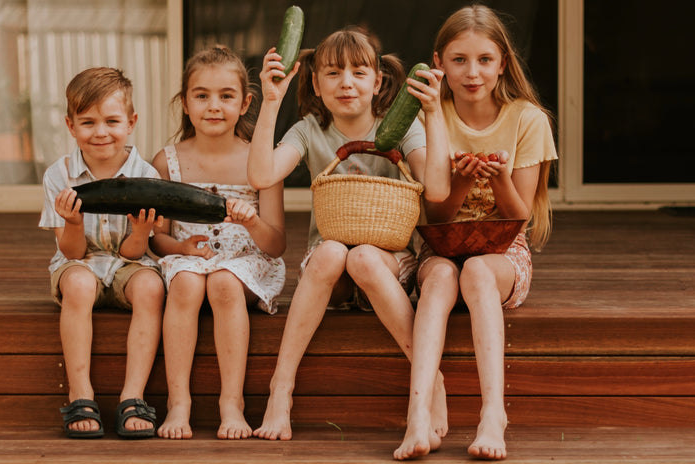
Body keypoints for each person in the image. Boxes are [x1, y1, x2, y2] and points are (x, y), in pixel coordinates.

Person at [247, 26, 451, 441]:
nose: (346, 82)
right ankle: (279, 391)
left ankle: (431, 379)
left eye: (359, 72)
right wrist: (270, 103)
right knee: (332, 253)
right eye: (333, 73)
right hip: (331, 272)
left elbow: (438, 190)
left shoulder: (402, 126)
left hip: (388, 264)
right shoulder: (309, 129)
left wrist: (432, 114)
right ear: (316, 85)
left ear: (378, 83)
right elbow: (260, 174)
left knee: (361, 257)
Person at [392, 5, 558, 461]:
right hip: (442, 248)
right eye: (459, 59)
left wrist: (498, 178)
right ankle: (418, 415)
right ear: (438, 63)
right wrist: (462, 180)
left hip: (505, 253)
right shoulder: (428, 114)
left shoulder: (527, 119)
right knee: (445, 277)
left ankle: (492, 414)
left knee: (478, 273)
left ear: (502, 62)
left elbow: (518, 220)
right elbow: (436, 217)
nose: (472, 72)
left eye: (484, 59)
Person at [149, 46, 287, 440]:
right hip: (186, 260)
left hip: (246, 260)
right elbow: (158, 239)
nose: (214, 106)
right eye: (202, 95)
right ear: (185, 103)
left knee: (224, 283)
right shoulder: (166, 163)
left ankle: (232, 402)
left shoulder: (262, 161)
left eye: (226, 96)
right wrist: (181, 250)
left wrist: (253, 220)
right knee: (188, 283)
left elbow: (275, 244)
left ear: (244, 103)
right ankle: (179, 402)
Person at [40, 67, 166, 439]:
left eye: (112, 121)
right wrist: (74, 223)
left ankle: (133, 395)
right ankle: (81, 392)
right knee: (77, 284)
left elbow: (133, 252)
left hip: (130, 262)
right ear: (70, 125)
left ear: (131, 122)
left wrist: (142, 231)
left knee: (152, 289)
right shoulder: (59, 176)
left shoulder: (147, 177)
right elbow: (72, 251)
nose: (100, 132)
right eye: (87, 122)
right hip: (80, 262)